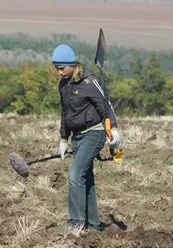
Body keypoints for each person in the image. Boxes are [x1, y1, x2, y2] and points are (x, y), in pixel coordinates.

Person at [52, 44, 121, 236]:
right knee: (86, 178)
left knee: (75, 174)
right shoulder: (63, 85)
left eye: (62, 68)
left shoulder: (89, 82)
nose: (59, 72)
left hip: (94, 132)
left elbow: (105, 106)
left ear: (72, 64)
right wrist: (63, 139)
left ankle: (76, 223)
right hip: (77, 137)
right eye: (56, 68)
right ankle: (93, 225)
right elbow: (65, 113)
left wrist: (113, 130)